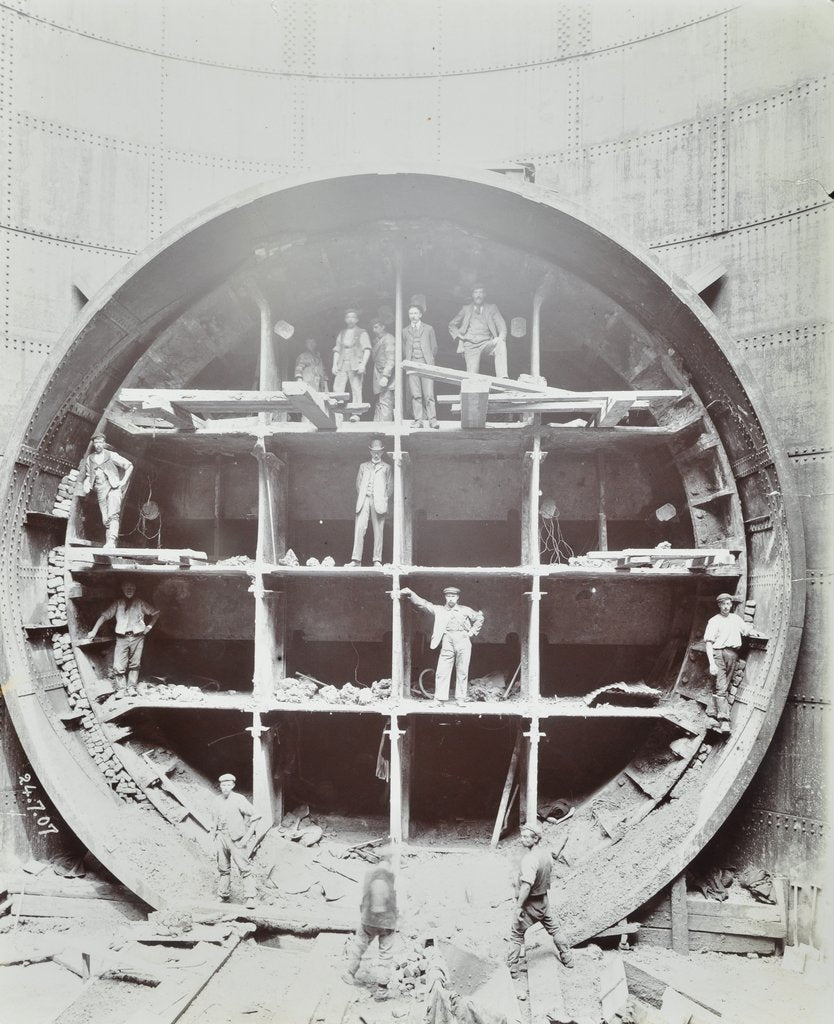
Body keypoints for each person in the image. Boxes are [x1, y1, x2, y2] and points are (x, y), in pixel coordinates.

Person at [507, 820, 574, 976]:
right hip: (544, 902)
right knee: (555, 930)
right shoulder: (547, 855)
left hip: (529, 904)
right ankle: (567, 958)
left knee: (516, 934)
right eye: (522, 836)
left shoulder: (529, 859)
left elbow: (526, 885)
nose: (522, 839)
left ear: (535, 838)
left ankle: (512, 968)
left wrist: (518, 907)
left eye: (526, 837)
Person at [399, 585, 483, 704]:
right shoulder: (440, 610)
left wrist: (472, 632)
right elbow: (424, 604)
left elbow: (480, 617)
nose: (451, 599)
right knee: (442, 670)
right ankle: (439, 699)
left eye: (453, 596)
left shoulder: (466, 610)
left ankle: (460, 699)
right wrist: (411, 593)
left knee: (462, 670)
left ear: (458, 597)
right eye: (448, 596)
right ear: (445, 597)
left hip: (463, 639)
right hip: (447, 639)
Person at [342, 842, 398, 1002]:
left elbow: (364, 896)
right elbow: (399, 902)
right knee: (385, 956)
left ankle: (349, 973)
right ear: (391, 860)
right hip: (387, 922)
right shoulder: (394, 876)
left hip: (368, 919)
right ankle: (381, 990)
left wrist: (364, 914)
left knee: (359, 946)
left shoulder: (369, 873)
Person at [86, 581, 159, 696]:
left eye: (132, 587)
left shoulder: (140, 602)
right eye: (126, 587)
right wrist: (94, 631)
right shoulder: (118, 604)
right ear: (122, 589)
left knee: (135, 663)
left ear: (135, 589)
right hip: (122, 638)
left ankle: (131, 688)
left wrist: (149, 627)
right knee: (118, 665)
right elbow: (104, 616)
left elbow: (156, 613)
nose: (129, 590)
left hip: (138, 637)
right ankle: (121, 689)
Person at [704, 592, 750, 735]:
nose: (726, 607)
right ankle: (724, 721)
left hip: (733, 654)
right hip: (719, 653)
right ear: (719, 605)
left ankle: (711, 715)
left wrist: (754, 632)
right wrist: (711, 663)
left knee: (722, 685)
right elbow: (708, 644)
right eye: (723, 604)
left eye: (728, 604)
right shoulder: (714, 621)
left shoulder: (736, 619)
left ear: (731, 604)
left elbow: (746, 631)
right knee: (721, 685)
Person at [213, 773, 260, 908]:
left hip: (236, 839)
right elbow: (213, 821)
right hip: (221, 836)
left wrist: (246, 837)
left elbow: (256, 816)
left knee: (244, 868)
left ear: (233, 785)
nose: (225, 788)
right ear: (220, 786)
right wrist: (214, 838)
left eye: (228, 785)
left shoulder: (239, 799)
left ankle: (250, 898)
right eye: (223, 785)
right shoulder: (216, 800)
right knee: (223, 868)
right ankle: (223, 895)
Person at [81, 433, 133, 546]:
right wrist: (86, 484)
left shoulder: (111, 455)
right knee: (105, 519)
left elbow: (129, 466)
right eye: (96, 442)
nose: (98, 445)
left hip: (113, 488)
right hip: (101, 490)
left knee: (113, 514)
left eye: (100, 442)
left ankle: (111, 541)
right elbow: (89, 476)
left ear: (104, 443)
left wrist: (123, 481)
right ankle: (109, 543)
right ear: (94, 444)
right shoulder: (90, 459)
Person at [348, 439, 393, 567]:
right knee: (359, 529)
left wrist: (382, 499)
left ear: (382, 452)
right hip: (364, 500)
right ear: (370, 452)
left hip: (378, 501)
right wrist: (364, 495)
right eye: (374, 451)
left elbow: (390, 488)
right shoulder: (363, 466)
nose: (376, 454)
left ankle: (377, 560)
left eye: (378, 451)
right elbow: (358, 484)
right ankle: (356, 559)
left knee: (378, 531)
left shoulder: (387, 468)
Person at [448, 284, 508, 379]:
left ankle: (503, 377)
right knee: (472, 378)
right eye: (476, 292)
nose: (478, 295)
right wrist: (460, 336)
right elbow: (452, 325)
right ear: (472, 295)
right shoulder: (466, 309)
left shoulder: (492, 308)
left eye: (481, 292)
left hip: (487, 343)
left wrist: (500, 338)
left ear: (485, 295)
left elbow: (502, 327)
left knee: (500, 343)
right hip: (471, 346)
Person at [402, 303, 438, 429]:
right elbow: (404, 348)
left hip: (426, 364)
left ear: (420, 315)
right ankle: (418, 420)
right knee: (416, 394)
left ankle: (433, 420)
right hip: (412, 365)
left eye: (416, 313)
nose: (413, 316)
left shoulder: (428, 329)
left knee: (429, 394)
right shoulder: (405, 331)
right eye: (411, 313)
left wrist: (427, 359)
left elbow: (434, 347)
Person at [332, 308, 371, 416]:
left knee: (356, 388)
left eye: (353, 317)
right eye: (348, 317)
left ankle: (356, 414)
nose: (350, 319)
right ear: (345, 319)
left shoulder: (361, 332)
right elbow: (337, 349)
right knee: (338, 388)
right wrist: (334, 365)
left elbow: (367, 349)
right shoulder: (342, 333)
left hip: (355, 364)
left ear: (357, 319)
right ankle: (337, 413)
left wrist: (363, 364)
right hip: (342, 363)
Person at [370, 317, 396, 422]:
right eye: (373, 327)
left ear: (383, 327)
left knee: (386, 401)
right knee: (380, 401)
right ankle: (377, 424)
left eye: (376, 327)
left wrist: (386, 376)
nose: (373, 330)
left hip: (386, 375)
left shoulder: (389, 339)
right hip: (378, 374)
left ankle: (385, 426)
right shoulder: (377, 340)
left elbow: (391, 359)